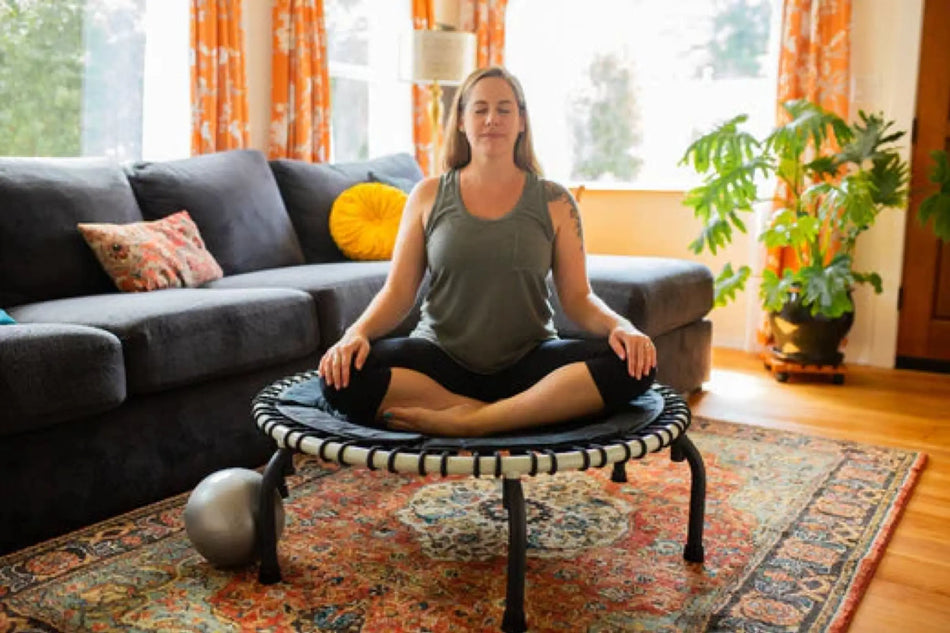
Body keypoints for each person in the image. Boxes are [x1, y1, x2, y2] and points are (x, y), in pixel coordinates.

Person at [318, 66, 656, 438]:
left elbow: (578, 298)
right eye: (479, 109)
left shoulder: (556, 201)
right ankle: (518, 414)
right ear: (461, 120)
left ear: (522, 120)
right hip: (438, 361)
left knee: (633, 366)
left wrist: (621, 327)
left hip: (530, 361)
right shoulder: (427, 196)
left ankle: (472, 421)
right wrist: (356, 333)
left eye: (504, 109)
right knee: (341, 378)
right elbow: (398, 292)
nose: (492, 119)